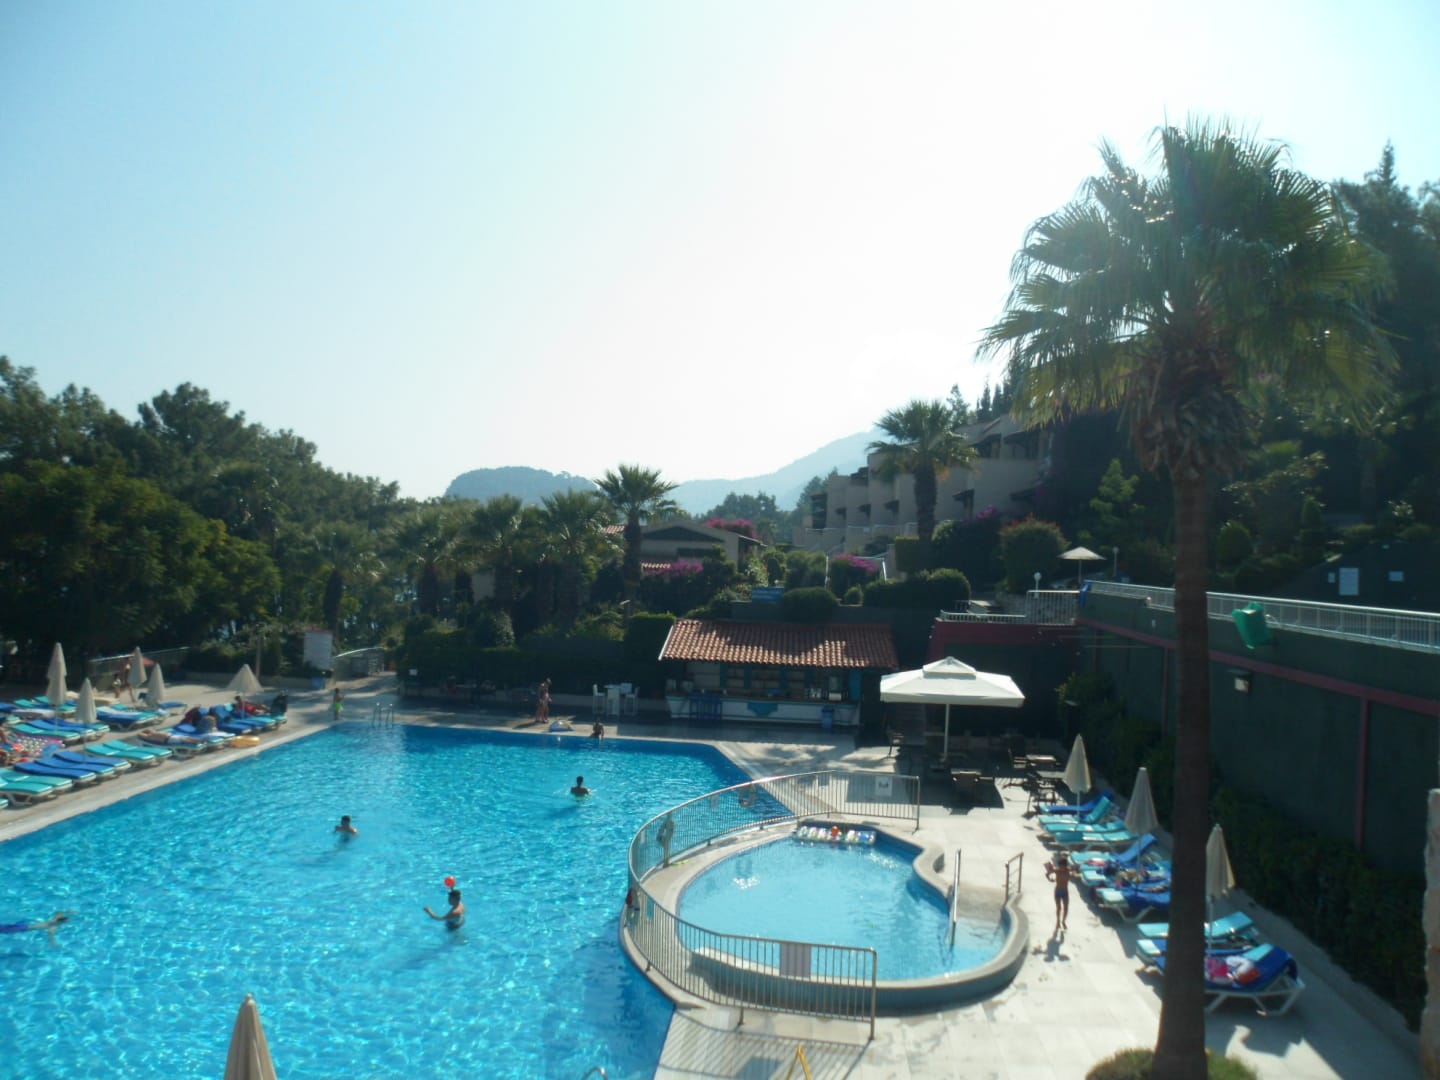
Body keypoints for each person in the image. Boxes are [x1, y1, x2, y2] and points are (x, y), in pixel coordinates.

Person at [1045, 853, 1074, 931]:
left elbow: (1073, 873)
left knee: (1066, 908)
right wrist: (1050, 879)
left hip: (1065, 892)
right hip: (1057, 891)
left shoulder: (1068, 871)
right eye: (1060, 866)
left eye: (1062, 867)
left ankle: (1063, 921)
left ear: (1065, 866)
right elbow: (1047, 874)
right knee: (1059, 908)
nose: (1061, 868)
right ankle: (1058, 921)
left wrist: (1072, 875)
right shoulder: (1057, 871)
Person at [0, 910, 74, 940]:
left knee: (6, 927)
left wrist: (70, 911)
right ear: (63, 922)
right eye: (67, 921)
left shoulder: (55, 918)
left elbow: (60, 912)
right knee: (5, 930)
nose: (68, 922)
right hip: (25, 928)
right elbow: (50, 933)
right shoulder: (55, 926)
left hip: (25, 924)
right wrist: (53, 942)